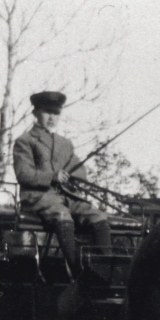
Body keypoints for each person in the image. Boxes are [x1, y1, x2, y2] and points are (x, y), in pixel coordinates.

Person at [12, 90, 111, 275]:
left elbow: (80, 170)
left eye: (56, 113)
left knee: (98, 216)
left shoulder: (65, 143)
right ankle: (77, 271)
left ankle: (105, 270)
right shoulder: (25, 141)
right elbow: (23, 173)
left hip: (66, 196)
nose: (52, 117)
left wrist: (73, 176)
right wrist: (52, 177)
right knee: (62, 214)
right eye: (47, 112)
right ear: (35, 113)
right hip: (38, 197)